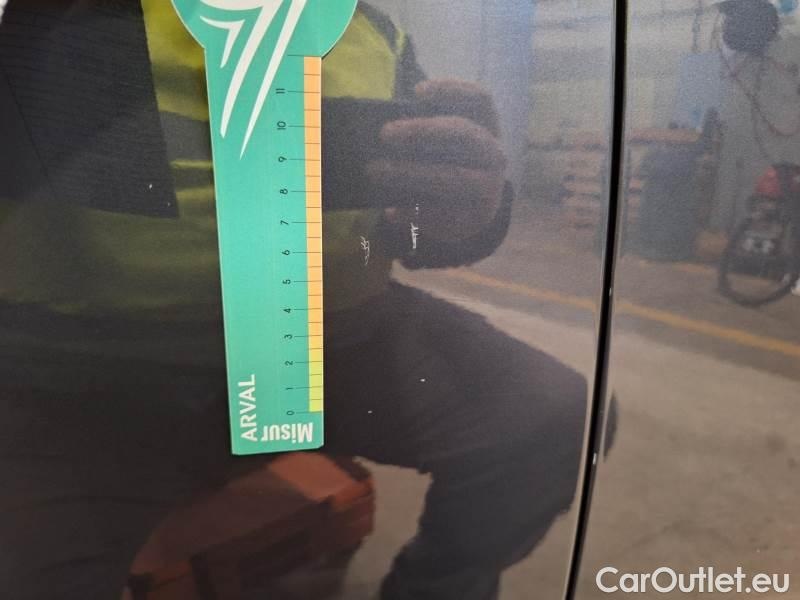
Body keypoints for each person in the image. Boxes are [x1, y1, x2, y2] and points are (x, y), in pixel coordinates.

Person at [0, 2, 587, 599]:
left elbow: (401, 228)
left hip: (329, 343)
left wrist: (467, 219)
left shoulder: (370, 27)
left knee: (540, 414)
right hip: (82, 374)